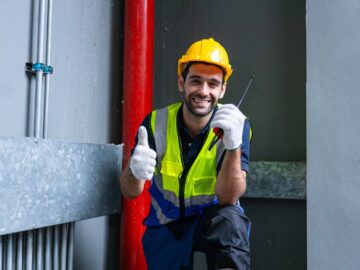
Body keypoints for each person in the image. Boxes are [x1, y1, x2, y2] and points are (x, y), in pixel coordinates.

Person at [120, 37, 252, 270]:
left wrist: (232, 147)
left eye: (212, 84)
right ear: (181, 82)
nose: (203, 91)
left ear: (223, 90)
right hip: (166, 224)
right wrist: (133, 169)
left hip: (210, 220)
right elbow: (130, 191)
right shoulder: (156, 123)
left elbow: (228, 198)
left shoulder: (236, 124)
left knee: (230, 220)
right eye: (195, 81)